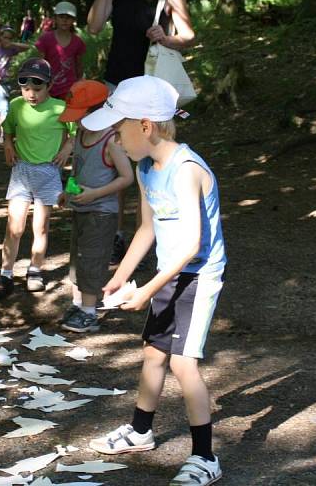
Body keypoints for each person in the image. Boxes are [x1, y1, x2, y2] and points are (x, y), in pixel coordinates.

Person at [83, 76, 225, 486]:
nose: (115, 137)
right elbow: (147, 228)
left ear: (146, 125)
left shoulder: (187, 170)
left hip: (197, 275)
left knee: (183, 364)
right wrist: (121, 277)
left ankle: (204, 457)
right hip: (170, 272)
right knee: (153, 354)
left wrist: (146, 290)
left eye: (119, 128)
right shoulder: (146, 168)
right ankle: (141, 432)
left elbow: (191, 246)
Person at [87, 0, 196, 264]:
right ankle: (118, 236)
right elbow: (93, 26)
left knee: (151, 165)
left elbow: (189, 36)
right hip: (117, 88)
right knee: (114, 163)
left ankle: (150, 238)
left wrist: (167, 37)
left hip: (151, 92)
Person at [0, 58, 75, 298]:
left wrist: (66, 149)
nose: (31, 94)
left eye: (37, 89)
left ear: (49, 86)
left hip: (48, 172)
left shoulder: (60, 108)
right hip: (21, 170)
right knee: (14, 226)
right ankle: (5, 273)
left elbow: (75, 133)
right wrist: (8, 145)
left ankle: (35, 270)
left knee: (40, 226)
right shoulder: (17, 106)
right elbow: (8, 130)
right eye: (26, 88)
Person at [57, 80, 134, 333]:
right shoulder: (81, 134)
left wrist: (96, 194)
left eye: (80, 116)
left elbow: (127, 178)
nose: (76, 122)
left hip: (101, 212)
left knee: (92, 259)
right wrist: (67, 192)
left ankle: (89, 313)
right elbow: (78, 168)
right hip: (81, 207)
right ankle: (79, 305)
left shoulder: (111, 140)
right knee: (77, 258)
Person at [34, 1, 86, 100]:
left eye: (68, 17)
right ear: (55, 18)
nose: (65, 20)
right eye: (61, 17)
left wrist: (80, 81)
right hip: (48, 86)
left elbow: (79, 64)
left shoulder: (78, 42)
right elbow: (40, 62)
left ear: (73, 20)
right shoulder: (45, 39)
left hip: (69, 88)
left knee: (66, 113)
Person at [0, 26, 30, 141]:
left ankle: (16, 133)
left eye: (9, 38)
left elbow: (28, 48)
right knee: (3, 109)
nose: (7, 40)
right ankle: (4, 135)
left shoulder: (12, 49)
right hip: (0, 83)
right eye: (5, 37)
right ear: (0, 37)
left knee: (16, 107)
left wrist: (13, 44)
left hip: (13, 82)